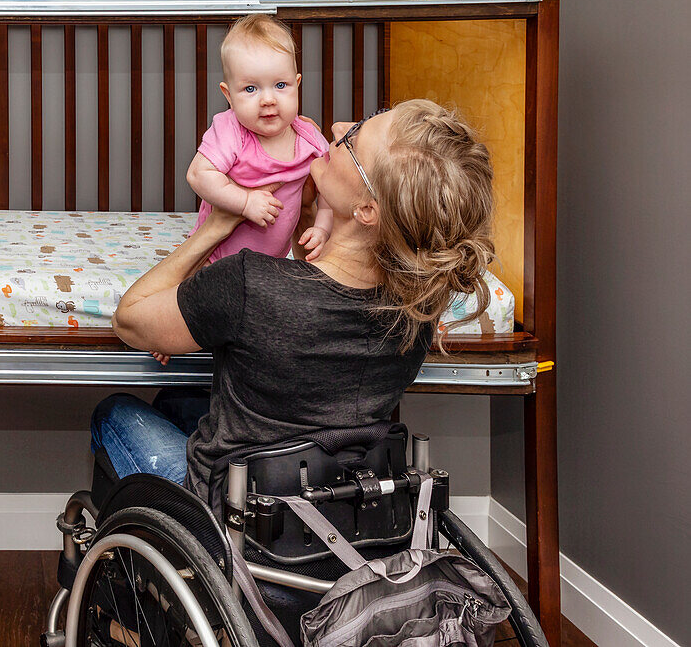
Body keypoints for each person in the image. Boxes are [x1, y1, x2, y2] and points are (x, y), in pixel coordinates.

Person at [95, 99, 496, 502]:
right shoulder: (418, 306)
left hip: (237, 515)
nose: (338, 127)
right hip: (339, 507)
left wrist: (215, 227)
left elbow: (129, 319)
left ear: (367, 209)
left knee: (113, 412)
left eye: (354, 138)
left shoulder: (247, 283)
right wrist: (307, 213)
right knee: (177, 401)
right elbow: (321, 288)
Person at [186, 15, 333, 264]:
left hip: (270, 263)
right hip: (214, 260)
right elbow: (199, 175)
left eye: (280, 85)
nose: (268, 100)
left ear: (297, 84)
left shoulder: (310, 140)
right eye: (251, 89)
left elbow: (330, 193)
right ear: (229, 95)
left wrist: (322, 228)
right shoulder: (231, 131)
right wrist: (244, 202)